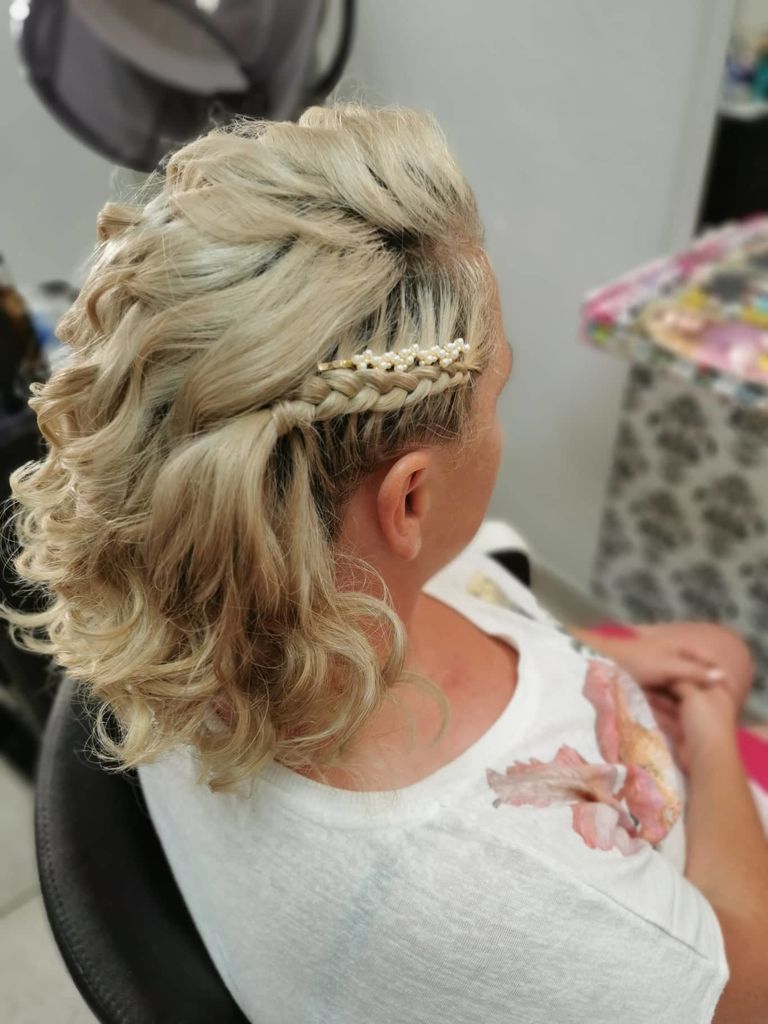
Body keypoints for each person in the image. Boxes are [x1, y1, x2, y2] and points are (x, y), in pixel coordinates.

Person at [3, 103, 768, 1024]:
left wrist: (602, 658)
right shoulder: (529, 902)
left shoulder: (181, 586)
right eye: (497, 394)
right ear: (408, 499)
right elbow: (748, 989)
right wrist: (714, 736)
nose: (500, 425)